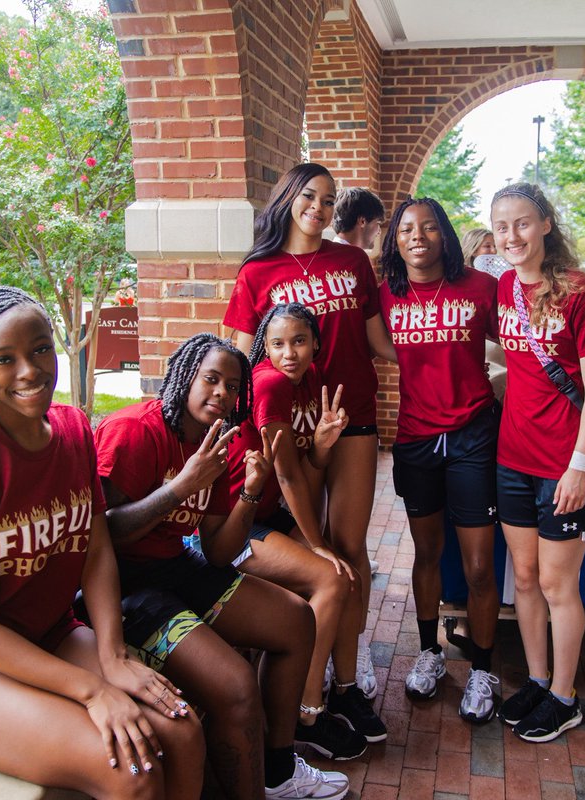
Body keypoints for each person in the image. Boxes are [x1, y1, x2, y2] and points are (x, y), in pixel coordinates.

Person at [0, 287, 203, 800]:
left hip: (46, 633)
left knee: (182, 730)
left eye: (41, 349)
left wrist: (112, 657)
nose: (30, 371)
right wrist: (94, 690)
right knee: (132, 771)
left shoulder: (72, 430)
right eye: (5, 359)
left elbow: (94, 550)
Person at [94, 333, 349, 800]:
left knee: (295, 620)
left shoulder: (218, 445)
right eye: (211, 379)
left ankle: (277, 770)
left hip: (177, 565)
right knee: (235, 685)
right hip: (124, 589)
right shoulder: (134, 430)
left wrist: (252, 490)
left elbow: (216, 549)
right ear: (185, 376)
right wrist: (179, 487)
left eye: (233, 387)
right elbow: (101, 534)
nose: (222, 394)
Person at [223, 163, 394, 702]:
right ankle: (304, 658)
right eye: (309, 197)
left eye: (328, 201)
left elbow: (379, 340)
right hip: (291, 424)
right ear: (289, 198)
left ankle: (352, 644)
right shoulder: (258, 270)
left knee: (349, 543)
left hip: (352, 416)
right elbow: (236, 353)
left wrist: (450, 360)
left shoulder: (353, 262)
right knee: (309, 543)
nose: (318, 208)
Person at [228, 303, 387, 760]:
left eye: (299, 341)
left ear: (316, 342)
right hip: (239, 519)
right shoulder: (270, 382)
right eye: (277, 344)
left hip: (274, 517)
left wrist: (320, 448)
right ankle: (307, 711)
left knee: (344, 576)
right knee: (333, 573)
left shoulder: (311, 382)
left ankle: (329, 694)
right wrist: (316, 543)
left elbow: (307, 472)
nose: (289, 353)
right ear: (265, 347)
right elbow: (286, 476)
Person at [490, 183, 585, 743]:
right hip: (512, 456)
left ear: (544, 224)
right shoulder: (503, 287)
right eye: (501, 227)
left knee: (557, 583)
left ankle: (565, 697)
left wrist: (580, 466)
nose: (511, 236)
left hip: (565, 464)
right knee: (522, 577)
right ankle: (539, 681)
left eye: (521, 223)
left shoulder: (581, 293)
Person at [376, 198, 502, 723]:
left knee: (477, 564)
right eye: (407, 228)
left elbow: (517, 343)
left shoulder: (479, 287)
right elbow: (375, 344)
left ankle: (481, 668)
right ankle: (429, 653)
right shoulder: (386, 294)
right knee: (426, 554)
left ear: (445, 236)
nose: (418, 235)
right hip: (417, 439)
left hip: (473, 434)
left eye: (429, 226)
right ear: (396, 241)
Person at [461, 227, 507, 401]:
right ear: (472, 249)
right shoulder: (463, 283)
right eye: (487, 246)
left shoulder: (501, 277)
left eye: (495, 245)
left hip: (499, 342)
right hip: (481, 344)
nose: (493, 251)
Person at [331, 187, 385, 252]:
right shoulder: (351, 258)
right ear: (362, 221)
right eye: (378, 223)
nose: (379, 232)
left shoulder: (333, 252)